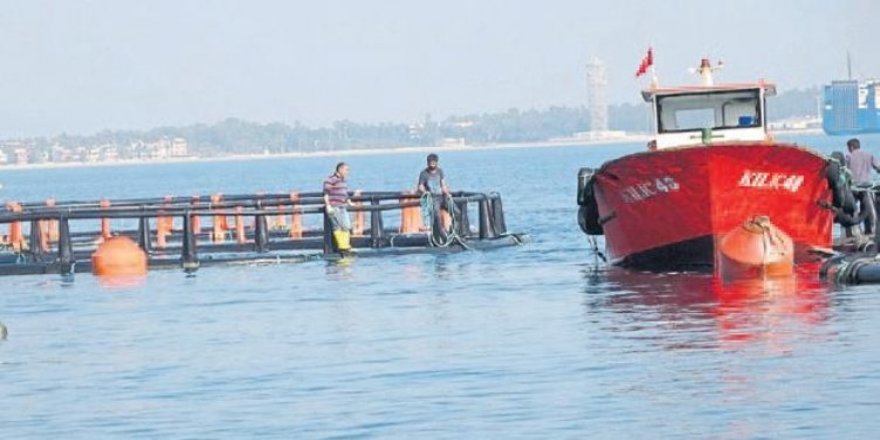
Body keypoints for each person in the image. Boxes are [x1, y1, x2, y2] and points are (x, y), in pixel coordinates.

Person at [417, 153, 459, 240]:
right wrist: (425, 192)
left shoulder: (440, 171)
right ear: (427, 163)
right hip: (433, 199)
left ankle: (454, 233)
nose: (432, 164)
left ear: (436, 162)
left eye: (434, 162)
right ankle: (442, 237)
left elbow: (443, 184)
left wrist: (447, 194)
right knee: (437, 216)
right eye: (430, 162)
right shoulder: (424, 173)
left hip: (442, 197)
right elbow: (420, 186)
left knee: (457, 212)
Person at [845, 138, 880, 234]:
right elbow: (878, 167)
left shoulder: (848, 157)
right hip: (866, 187)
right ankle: (869, 231)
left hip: (853, 188)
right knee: (866, 209)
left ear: (851, 147)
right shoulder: (869, 155)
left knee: (851, 210)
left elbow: (844, 172)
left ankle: (852, 232)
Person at [323, 162, 353, 251]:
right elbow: (326, 193)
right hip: (334, 206)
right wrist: (328, 205)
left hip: (342, 205)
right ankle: (343, 246)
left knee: (346, 225)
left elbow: (344, 193)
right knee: (337, 226)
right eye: (346, 170)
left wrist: (349, 201)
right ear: (340, 169)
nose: (347, 172)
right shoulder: (330, 179)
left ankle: (345, 245)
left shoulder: (343, 181)